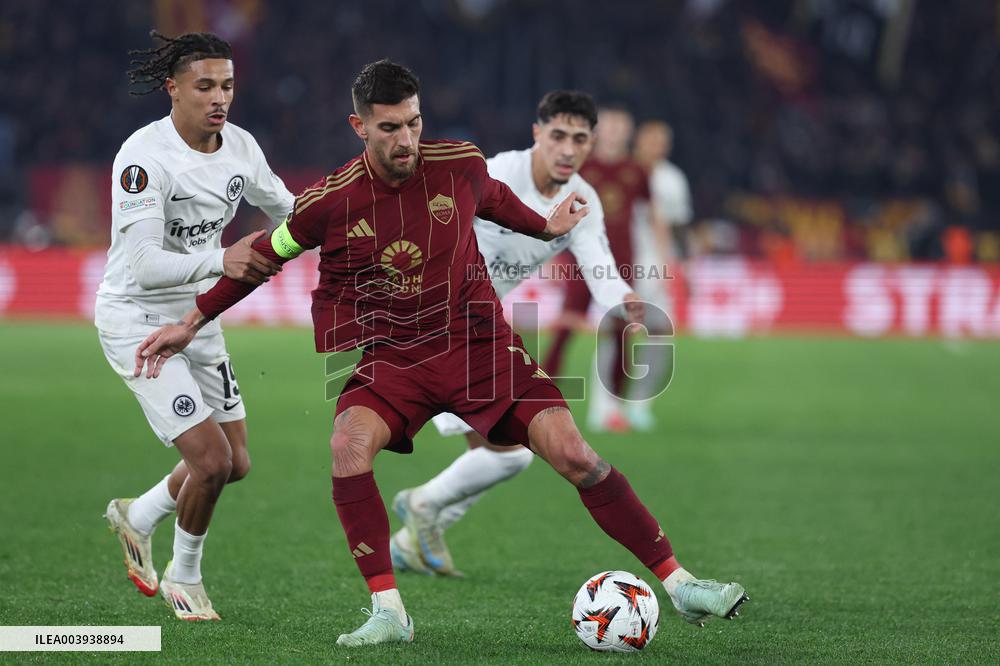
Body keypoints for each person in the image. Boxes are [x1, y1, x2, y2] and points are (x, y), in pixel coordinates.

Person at [134, 60, 747, 646]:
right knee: (348, 447)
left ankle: (681, 583)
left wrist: (550, 228)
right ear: (360, 127)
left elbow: (503, 205)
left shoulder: (461, 165)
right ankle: (388, 611)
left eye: (414, 122)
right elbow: (263, 257)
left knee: (575, 454)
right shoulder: (330, 200)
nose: (407, 139)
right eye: (391, 127)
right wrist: (193, 319)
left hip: (482, 345)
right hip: (394, 358)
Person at [387, 90, 642, 577]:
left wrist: (622, 301)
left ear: (590, 145)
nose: (568, 149)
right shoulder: (498, 173)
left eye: (580, 140)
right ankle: (421, 511)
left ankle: (417, 529)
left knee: (505, 452)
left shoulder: (581, 201)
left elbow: (599, 265)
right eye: (558, 136)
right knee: (514, 451)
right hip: (433, 315)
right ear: (537, 135)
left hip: (473, 322)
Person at [96, 31, 293, 621]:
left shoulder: (240, 147)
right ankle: (186, 579)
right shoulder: (143, 158)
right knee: (209, 462)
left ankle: (140, 514)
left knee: (237, 462)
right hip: (138, 319)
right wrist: (221, 258)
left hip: (198, 317)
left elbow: (287, 208)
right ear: (173, 89)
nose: (219, 98)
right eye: (205, 85)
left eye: (227, 85)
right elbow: (144, 265)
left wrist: (339, 239)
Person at [542, 106, 660, 432]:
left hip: (621, 263)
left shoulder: (638, 170)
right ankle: (539, 395)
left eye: (620, 127)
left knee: (622, 333)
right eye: (609, 127)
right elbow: (554, 209)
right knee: (564, 329)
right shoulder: (580, 166)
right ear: (597, 132)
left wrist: (666, 257)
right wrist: (549, 252)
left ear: (628, 132)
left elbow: (652, 216)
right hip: (581, 261)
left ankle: (614, 405)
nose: (614, 132)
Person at [625, 120, 693, 431]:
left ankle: (640, 404)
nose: (658, 146)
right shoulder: (621, 171)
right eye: (653, 139)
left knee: (660, 333)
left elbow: (679, 227)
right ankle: (606, 407)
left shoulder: (673, 179)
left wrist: (685, 267)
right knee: (616, 333)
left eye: (664, 140)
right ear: (639, 141)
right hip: (620, 264)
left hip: (658, 266)